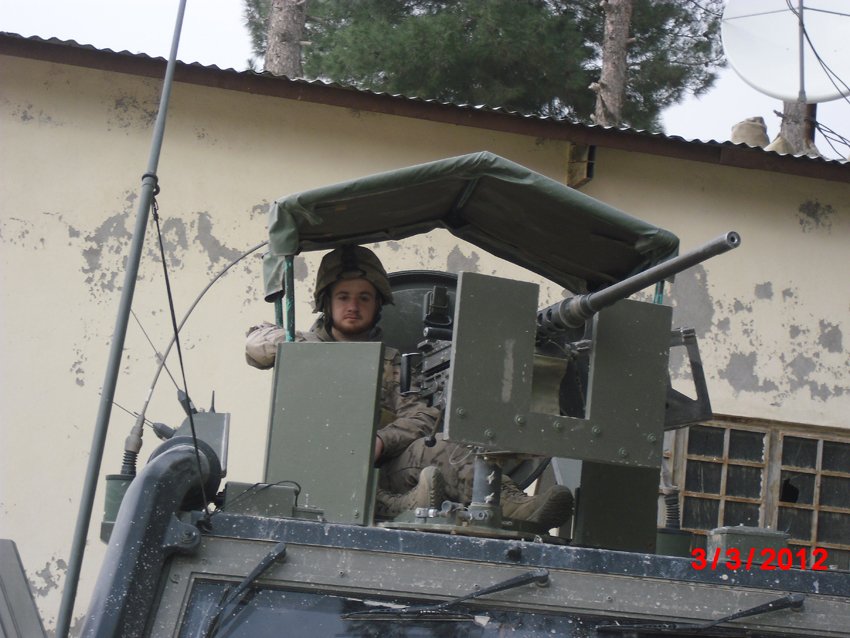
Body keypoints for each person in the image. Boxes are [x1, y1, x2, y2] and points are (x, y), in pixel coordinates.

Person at [246, 245, 572, 530]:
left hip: (380, 468)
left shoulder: (390, 363)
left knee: (443, 446)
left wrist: (380, 441)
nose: (353, 306)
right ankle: (405, 504)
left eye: (364, 298)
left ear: (377, 305)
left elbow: (420, 418)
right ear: (326, 302)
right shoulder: (299, 346)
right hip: (314, 472)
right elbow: (256, 347)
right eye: (343, 297)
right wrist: (301, 348)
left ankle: (512, 506)